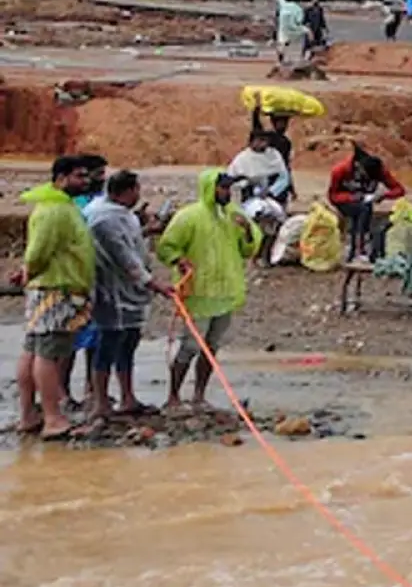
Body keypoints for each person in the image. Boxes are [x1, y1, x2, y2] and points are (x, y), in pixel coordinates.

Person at [159, 168, 264, 411]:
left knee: (212, 346)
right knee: (190, 347)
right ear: (210, 188)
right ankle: (173, 396)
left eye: (229, 188)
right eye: (222, 187)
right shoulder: (189, 217)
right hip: (198, 293)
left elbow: (249, 250)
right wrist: (179, 259)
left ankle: (199, 395)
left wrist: (247, 231)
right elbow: (167, 246)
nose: (227, 192)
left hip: (225, 292)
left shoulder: (236, 216)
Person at [16, 156, 97, 440]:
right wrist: (30, 269)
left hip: (48, 287)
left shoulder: (59, 206)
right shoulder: (55, 211)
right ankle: (52, 418)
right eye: (79, 176)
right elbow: (38, 252)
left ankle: (29, 415)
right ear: (61, 178)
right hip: (57, 289)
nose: (85, 182)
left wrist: (28, 272)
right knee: (48, 353)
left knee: (34, 348)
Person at [87, 169, 173, 418]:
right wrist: (156, 285)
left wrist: (147, 229)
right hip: (111, 290)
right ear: (125, 192)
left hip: (131, 292)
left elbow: (132, 246)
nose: (138, 194)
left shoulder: (121, 214)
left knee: (129, 344)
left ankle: (128, 397)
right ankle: (100, 401)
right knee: (108, 343)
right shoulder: (103, 219)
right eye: (136, 189)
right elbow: (125, 260)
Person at [327, 143, 405, 264]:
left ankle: (360, 247)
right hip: (345, 202)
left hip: (365, 202)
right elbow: (332, 196)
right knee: (362, 209)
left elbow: (399, 190)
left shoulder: (379, 170)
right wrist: (352, 197)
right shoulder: (340, 171)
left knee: (365, 208)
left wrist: (383, 195)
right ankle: (358, 250)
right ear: (358, 166)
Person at [228, 129, 292, 206]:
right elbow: (232, 179)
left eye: (265, 140)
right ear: (251, 141)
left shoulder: (274, 154)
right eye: (260, 140)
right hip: (248, 197)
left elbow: (284, 177)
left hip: (273, 196)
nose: (263, 143)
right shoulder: (242, 158)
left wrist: (270, 191)